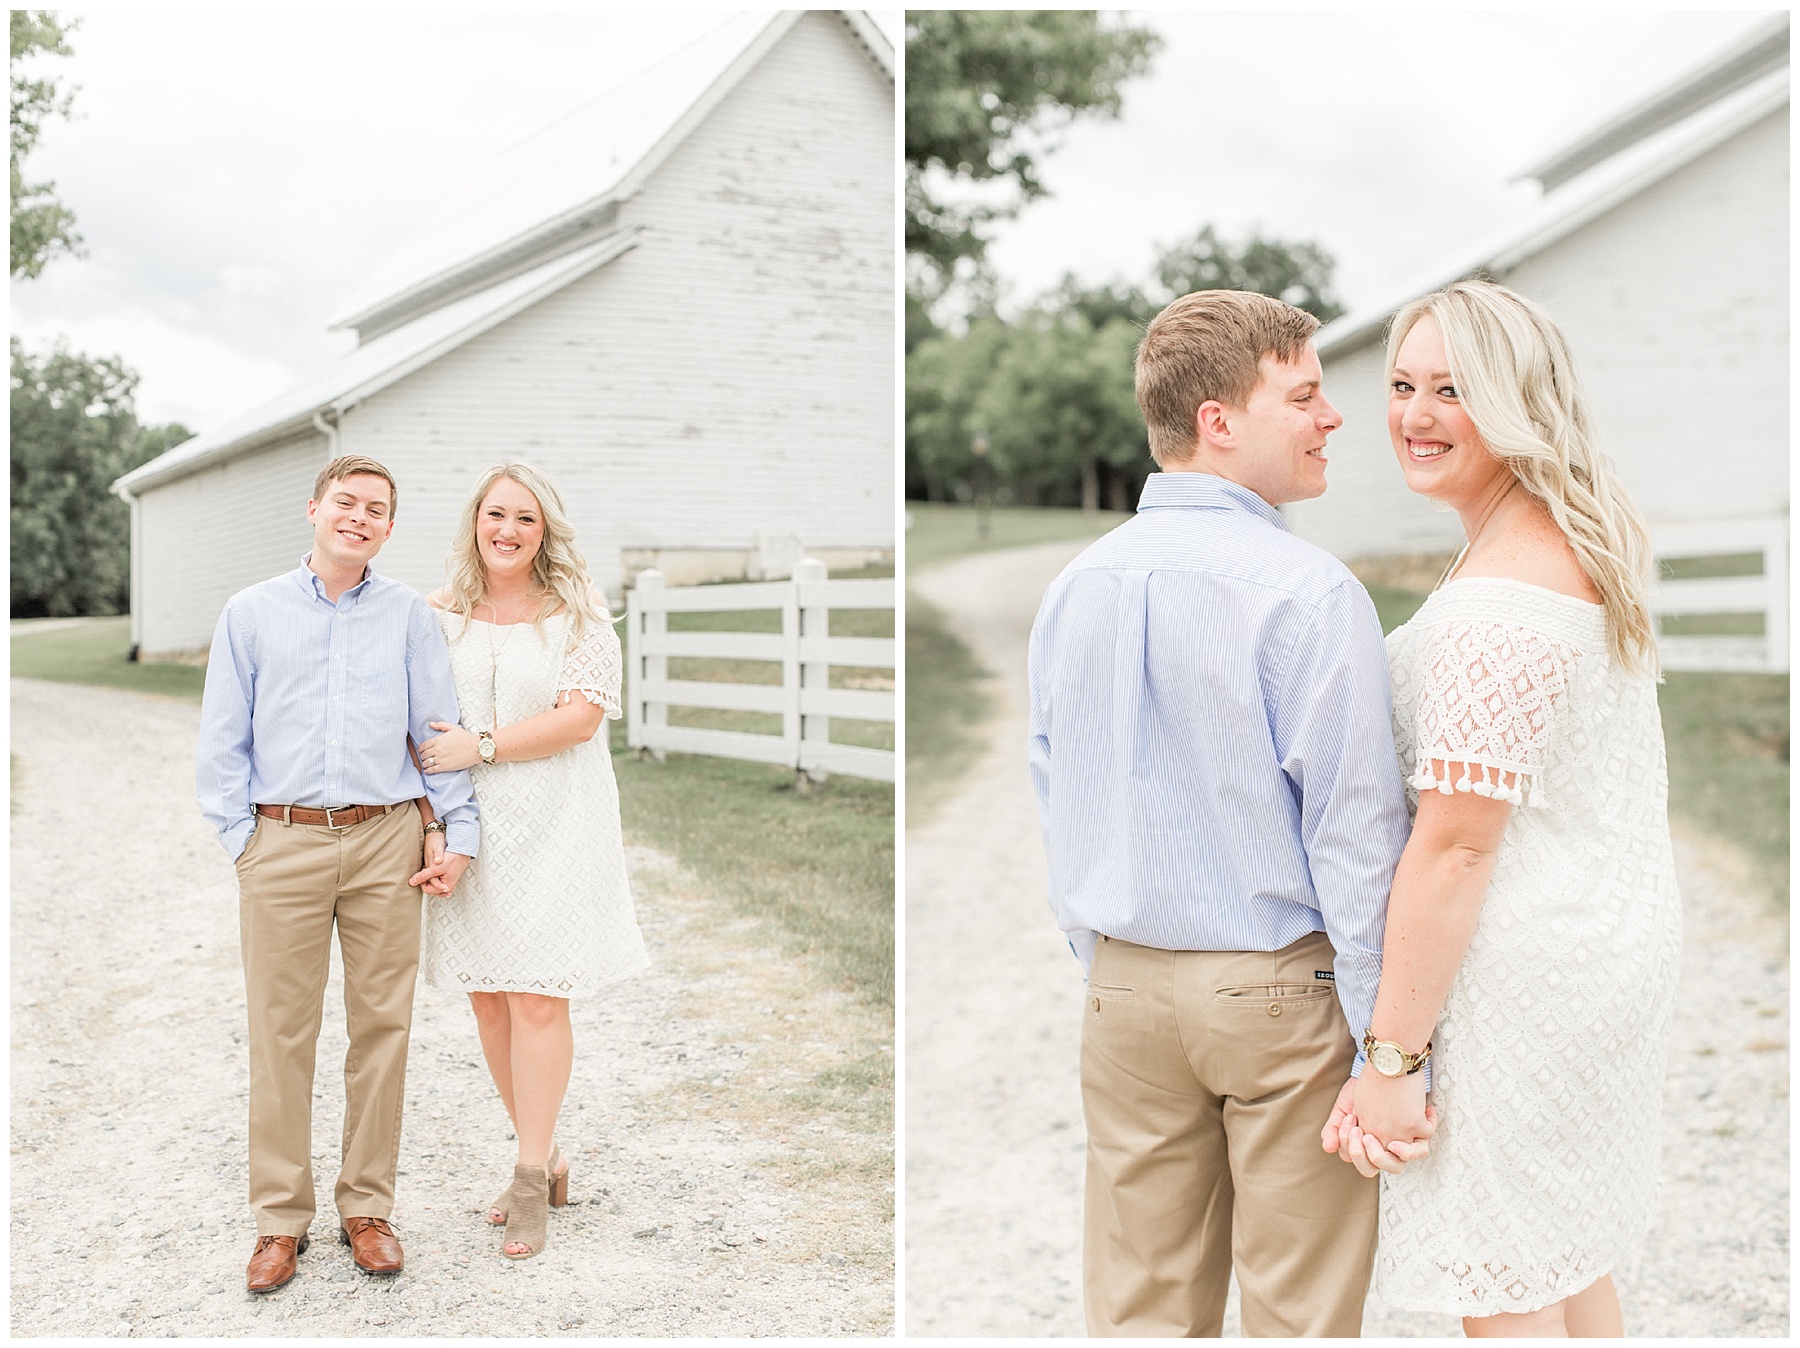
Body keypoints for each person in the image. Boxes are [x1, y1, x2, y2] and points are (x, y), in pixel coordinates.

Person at [1027, 289, 1431, 1337]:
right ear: (1218, 421)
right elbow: (1354, 836)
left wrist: (1104, 956)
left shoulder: (1076, 586)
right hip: (1280, 998)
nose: (1332, 417)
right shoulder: (1311, 593)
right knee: (1301, 1313)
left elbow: (1055, 787)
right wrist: (1388, 1045)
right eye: (1302, 396)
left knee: (1139, 1312)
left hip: (1123, 989)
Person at [1323, 280, 1682, 1337]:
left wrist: (1391, 1061)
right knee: (1563, 1256)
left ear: (1520, 401)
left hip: (1523, 977)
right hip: (1597, 945)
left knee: (1500, 1280)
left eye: (1453, 390)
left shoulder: (1500, 602)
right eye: (1402, 386)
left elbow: (1455, 849)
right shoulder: (1555, 542)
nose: (1415, 415)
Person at [198, 454, 480, 1294]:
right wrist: (243, 841)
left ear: (388, 529)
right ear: (315, 509)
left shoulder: (408, 617)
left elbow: (436, 732)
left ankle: (368, 1208)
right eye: (345, 502)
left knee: (381, 1027)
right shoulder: (250, 613)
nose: (358, 517)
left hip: (385, 841)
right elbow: (223, 741)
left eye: (375, 509)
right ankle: (280, 1219)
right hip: (280, 843)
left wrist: (455, 831)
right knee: (280, 1033)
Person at [416, 462, 649, 1260]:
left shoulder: (578, 615)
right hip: (471, 824)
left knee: (539, 998)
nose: (508, 531)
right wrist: (434, 822)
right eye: (496, 515)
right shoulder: (437, 615)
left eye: (525, 518)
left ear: (545, 531)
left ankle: (525, 1179)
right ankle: (545, 1156)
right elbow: (416, 724)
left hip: (557, 821)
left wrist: (478, 746)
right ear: (474, 522)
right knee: (489, 997)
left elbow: (579, 721)